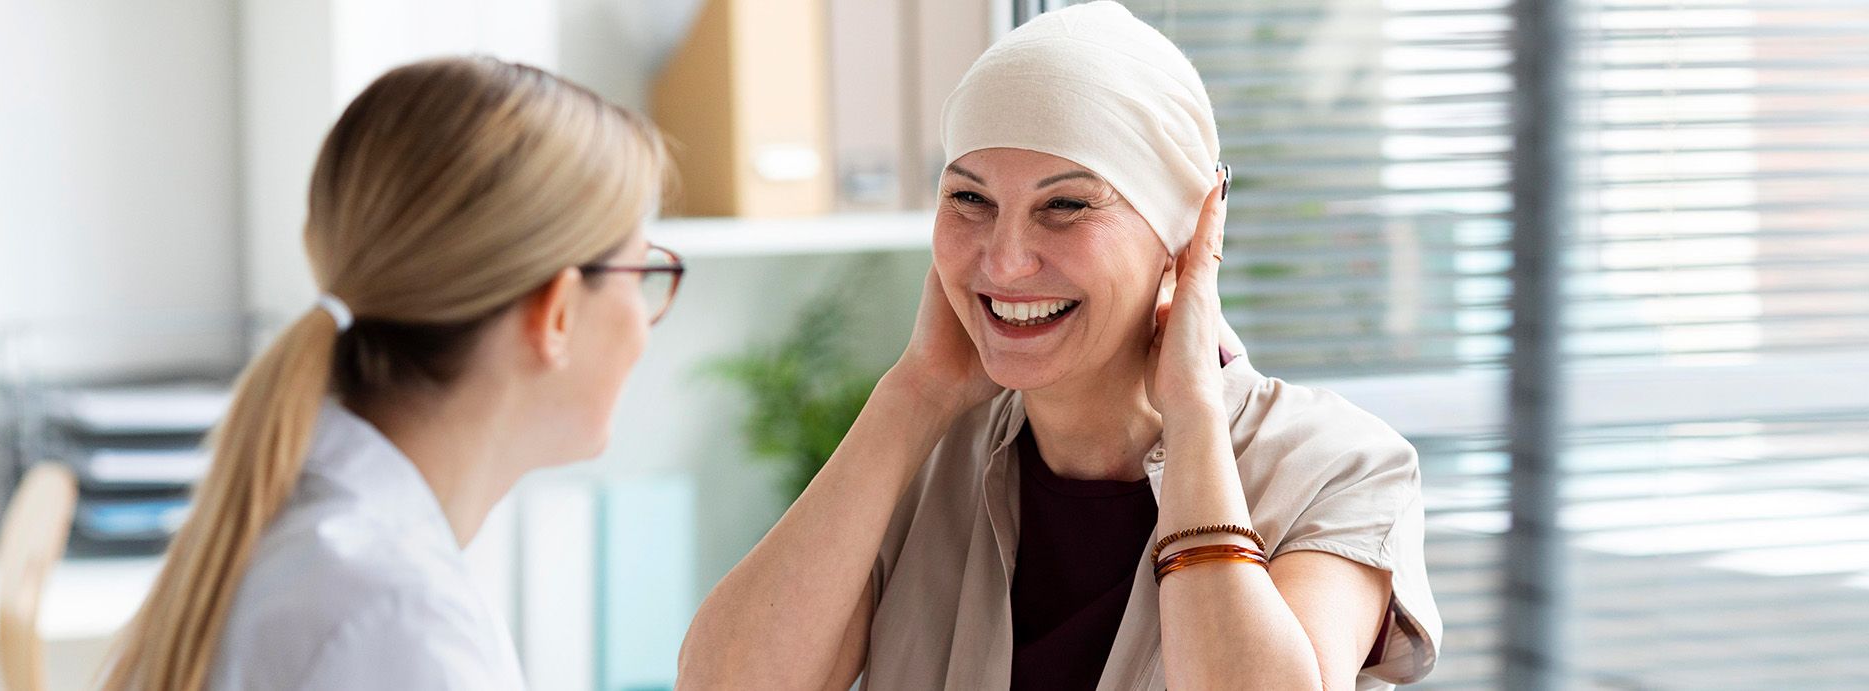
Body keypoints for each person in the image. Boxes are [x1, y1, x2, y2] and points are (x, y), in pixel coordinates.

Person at [679, 3, 1440, 689]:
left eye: (1067, 205)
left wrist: (1194, 416)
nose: (1005, 259)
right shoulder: (925, 454)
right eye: (969, 198)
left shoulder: (1334, 467)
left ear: (1184, 238)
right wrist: (913, 394)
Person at [100, 56, 681, 690]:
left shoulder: (331, 543)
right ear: (558, 314)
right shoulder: (397, 619)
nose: (643, 325)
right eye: (641, 273)